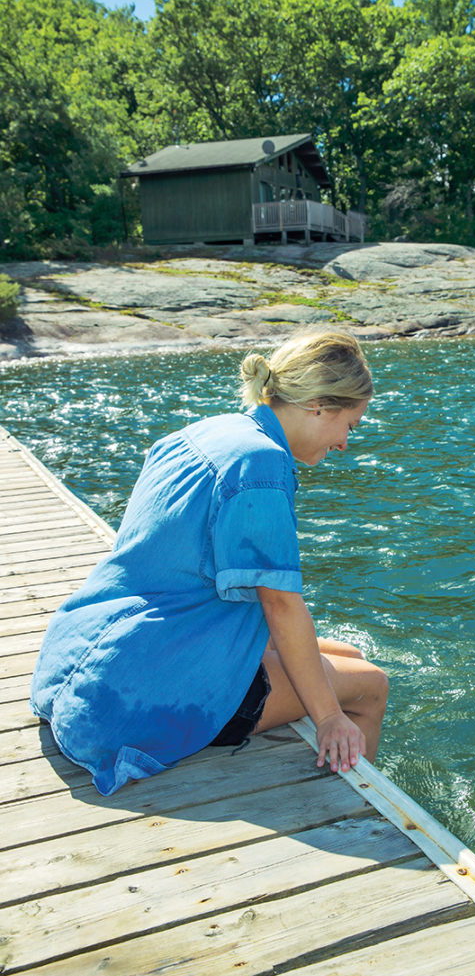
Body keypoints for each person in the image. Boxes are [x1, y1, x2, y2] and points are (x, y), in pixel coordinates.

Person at [30, 328, 388, 796]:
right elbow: (280, 605)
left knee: (349, 657)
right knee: (370, 687)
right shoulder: (262, 465)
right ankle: (346, 808)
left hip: (85, 662)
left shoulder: (209, 432)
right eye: (350, 426)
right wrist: (329, 718)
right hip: (138, 697)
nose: (344, 443)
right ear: (319, 404)